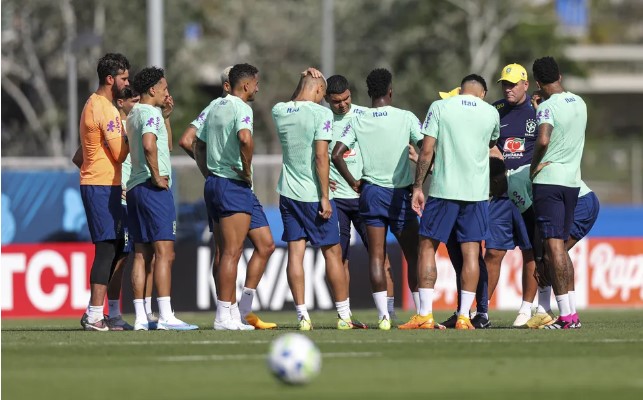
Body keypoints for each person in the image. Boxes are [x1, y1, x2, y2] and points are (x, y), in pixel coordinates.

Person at [332, 68, 423, 330]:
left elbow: (337, 154)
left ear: (369, 93)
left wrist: (353, 182)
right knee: (414, 254)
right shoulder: (406, 117)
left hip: (370, 192)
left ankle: (383, 317)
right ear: (390, 91)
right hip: (400, 193)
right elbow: (426, 148)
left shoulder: (358, 120)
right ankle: (421, 314)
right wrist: (419, 179)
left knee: (376, 255)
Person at [408, 74, 499, 330]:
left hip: (444, 190)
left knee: (427, 247)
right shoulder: (491, 112)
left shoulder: (440, 107)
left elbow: (427, 150)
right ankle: (463, 317)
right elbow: (491, 142)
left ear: (460, 90)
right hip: (477, 194)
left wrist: (418, 186)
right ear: (482, 93)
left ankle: (425, 315)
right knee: (472, 253)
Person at [273, 70, 361, 331]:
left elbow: (295, 101)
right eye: (323, 94)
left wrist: (303, 81)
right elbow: (322, 157)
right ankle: (344, 317)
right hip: (312, 195)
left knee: (295, 254)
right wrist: (325, 197)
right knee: (333, 254)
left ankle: (303, 317)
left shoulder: (280, 110)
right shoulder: (321, 114)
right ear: (320, 92)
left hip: (287, 193)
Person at [194, 63, 276, 330]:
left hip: (217, 184)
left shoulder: (215, 106)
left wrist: (209, 169)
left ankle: (235, 313)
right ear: (246, 85)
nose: (257, 88)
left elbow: (195, 141)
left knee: (259, 245)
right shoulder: (242, 108)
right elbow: (244, 139)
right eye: (256, 83)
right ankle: (223, 317)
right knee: (231, 252)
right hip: (232, 184)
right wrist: (246, 168)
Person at [489, 159, 598, 329]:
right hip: (585, 200)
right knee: (557, 253)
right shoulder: (514, 181)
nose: (490, 193)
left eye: (489, 187)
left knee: (553, 255)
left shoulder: (514, 185)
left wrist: (539, 259)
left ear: (495, 181)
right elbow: (536, 223)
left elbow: (532, 222)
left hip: (581, 204)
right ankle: (566, 314)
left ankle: (564, 317)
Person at [127, 66, 197, 330]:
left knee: (141, 254)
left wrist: (167, 117)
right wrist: (156, 176)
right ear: (152, 89)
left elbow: (163, 145)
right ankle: (166, 315)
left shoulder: (134, 113)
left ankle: (140, 319)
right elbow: (148, 145)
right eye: (164, 88)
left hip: (134, 188)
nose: (167, 92)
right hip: (152, 188)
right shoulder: (150, 113)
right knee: (165, 253)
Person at [324, 74, 397, 321]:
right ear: (326, 99)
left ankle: (389, 313)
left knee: (381, 257)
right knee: (338, 258)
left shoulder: (366, 115)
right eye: (336, 102)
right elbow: (313, 155)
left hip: (366, 196)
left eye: (346, 99)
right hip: (336, 199)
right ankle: (345, 317)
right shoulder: (321, 120)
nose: (342, 105)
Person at [529, 56, 587, 329]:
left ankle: (565, 317)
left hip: (550, 180)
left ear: (538, 82)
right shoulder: (579, 102)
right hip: (573, 182)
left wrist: (533, 165)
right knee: (561, 248)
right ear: (560, 76)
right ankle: (572, 314)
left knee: (553, 249)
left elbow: (543, 138)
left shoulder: (547, 107)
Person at [75, 53, 130, 331]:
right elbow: (120, 153)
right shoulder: (106, 109)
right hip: (100, 184)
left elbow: (78, 154)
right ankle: (94, 314)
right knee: (107, 248)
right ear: (110, 79)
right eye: (123, 78)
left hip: (102, 184)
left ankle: (97, 312)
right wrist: (131, 127)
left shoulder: (93, 103)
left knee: (116, 247)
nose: (127, 82)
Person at [485, 63, 539, 328]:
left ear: (525, 85)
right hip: (501, 193)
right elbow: (483, 139)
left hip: (527, 192)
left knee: (530, 252)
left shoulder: (537, 111)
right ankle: (481, 310)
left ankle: (526, 309)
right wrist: (491, 150)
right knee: (493, 252)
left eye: (513, 84)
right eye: (505, 84)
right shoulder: (494, 110)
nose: (508, 89)